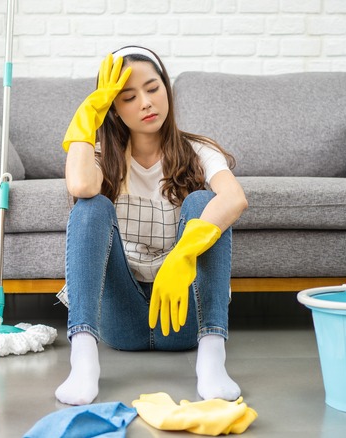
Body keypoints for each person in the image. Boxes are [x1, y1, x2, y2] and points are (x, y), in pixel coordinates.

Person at [56, 46, 248, 406]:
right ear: (114, 108)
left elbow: (235, 199)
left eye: (153, 88)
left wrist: (184, 256)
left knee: (205, 202)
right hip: (121, 320)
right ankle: (82, 360)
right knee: (91, 205)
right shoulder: (103, 157)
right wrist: (88, 115)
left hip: (183, 316)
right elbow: (81, 186)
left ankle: (212, 358)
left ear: (167, 90)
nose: (145, 103)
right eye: (128, 97)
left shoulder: (198, 150)